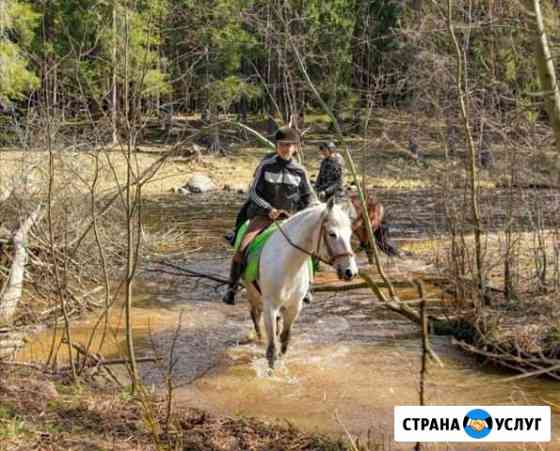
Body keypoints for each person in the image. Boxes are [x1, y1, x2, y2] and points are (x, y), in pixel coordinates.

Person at [222, 126, 314, 306]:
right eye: (282, 145)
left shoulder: (300, 171)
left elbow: (309, 196)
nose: (286, 148)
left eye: (289, 145)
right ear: (276, 146)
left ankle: (308, 287)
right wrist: (268, 209)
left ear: (295, 147)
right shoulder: (266, 165)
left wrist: (315, 209)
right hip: (264, 217)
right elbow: (253, 193)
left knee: (310, 248)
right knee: (242, 249)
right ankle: (231, 289)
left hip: (290, 219)